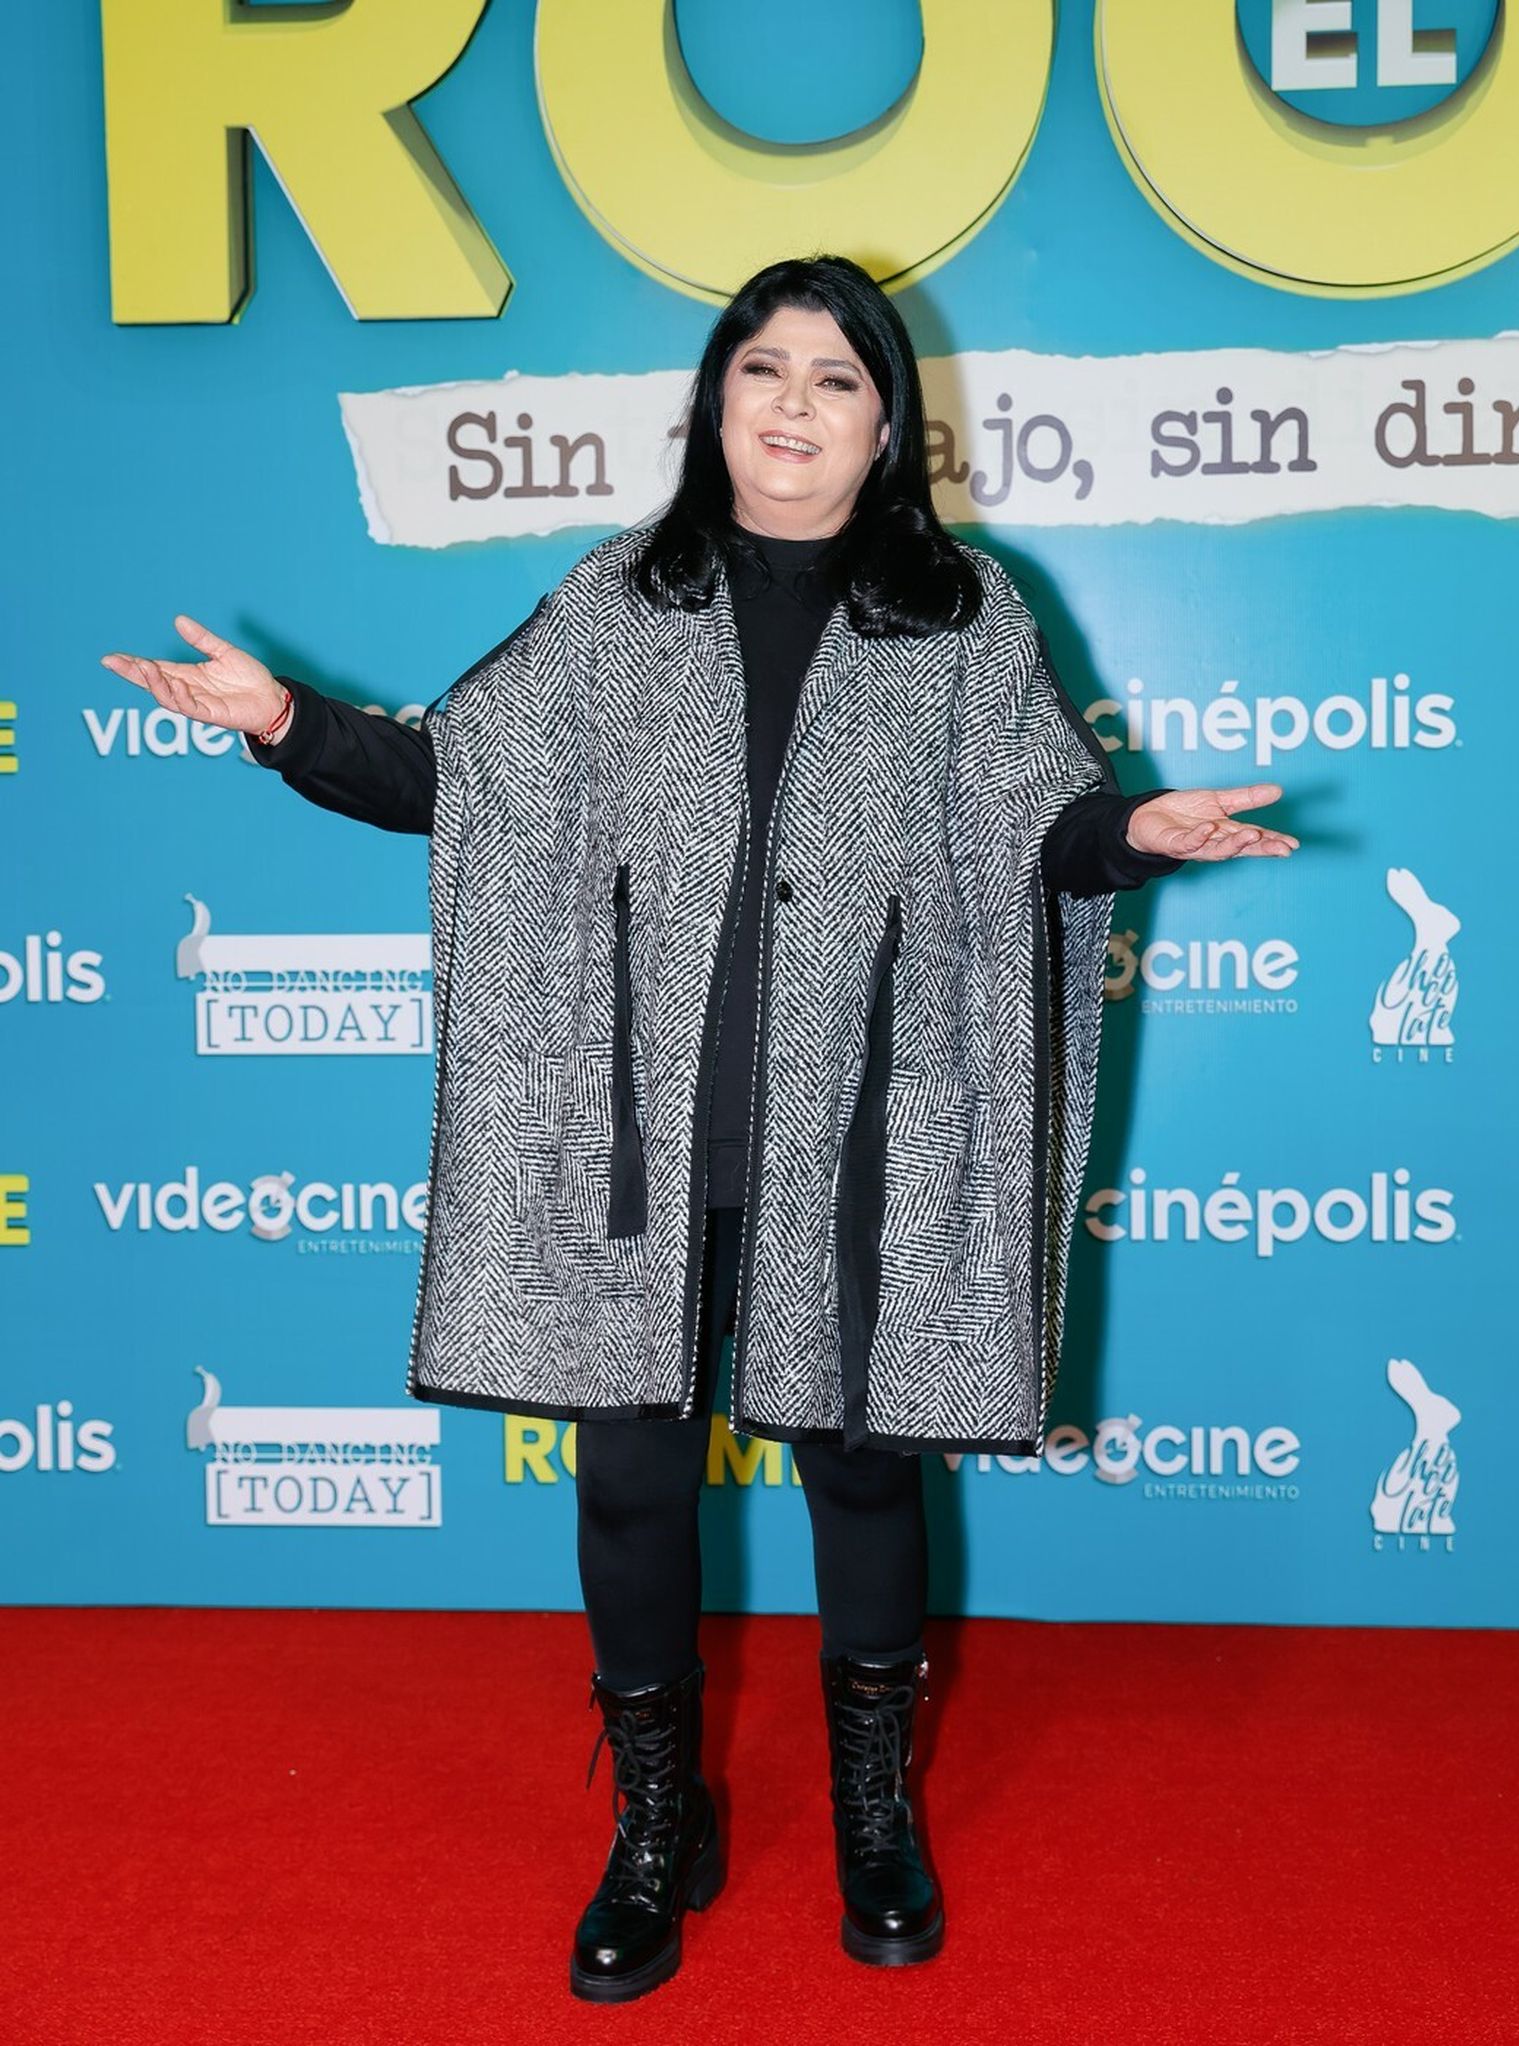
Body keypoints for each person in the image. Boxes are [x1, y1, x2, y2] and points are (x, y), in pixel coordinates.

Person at [102, 254, 1297, 2004]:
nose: (794, 404)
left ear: (885, 425)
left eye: (836, 379)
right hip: (645, 1137)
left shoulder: (962, 612)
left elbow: (1043, 827)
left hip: (864, 1124)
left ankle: (874, 1808)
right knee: (631, 1473)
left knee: (863, 1460)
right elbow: (461, 780)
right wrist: (286, 725)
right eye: (763, 370)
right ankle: (661, 1820)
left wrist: (1133, 836)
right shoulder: (620, 596)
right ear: (716, 400)